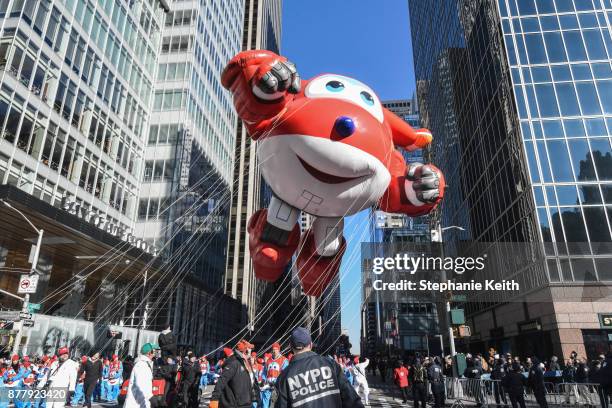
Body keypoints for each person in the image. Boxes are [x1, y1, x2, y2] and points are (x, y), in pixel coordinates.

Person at [273, 327, 363, 407]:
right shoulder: (330, 364)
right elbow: (352, 400)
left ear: (290, 346)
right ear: (311, 345)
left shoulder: (284, 377)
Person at [209, 339, 257, 408]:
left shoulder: (246, 363)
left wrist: (256, 396)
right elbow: (222, 380)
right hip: (235, 404)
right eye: (249, 350)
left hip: (246, 403)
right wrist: (214, 399)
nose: (251, 353)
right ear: (244, 351)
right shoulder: (234, 362)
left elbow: (251, 381)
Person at [125, 343, 159, 408]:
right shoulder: (141, 365)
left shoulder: (145, 364)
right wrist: (151, 398)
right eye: (154, 351)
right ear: (149, 352)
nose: (155, 353)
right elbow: (141, 384)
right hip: (135, 403)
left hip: (141, 401)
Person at [261, 343, 288, 408]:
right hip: (267, 386)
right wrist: (263, 380)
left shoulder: (284, 360)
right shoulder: (268, 360)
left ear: (278, 350)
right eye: (273, 349)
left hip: (277, 386)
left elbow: (284, 374)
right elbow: (264, 372)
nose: (274, 351)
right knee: (265, 403)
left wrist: (275, 383)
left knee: (275, 403)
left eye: (276, 349)